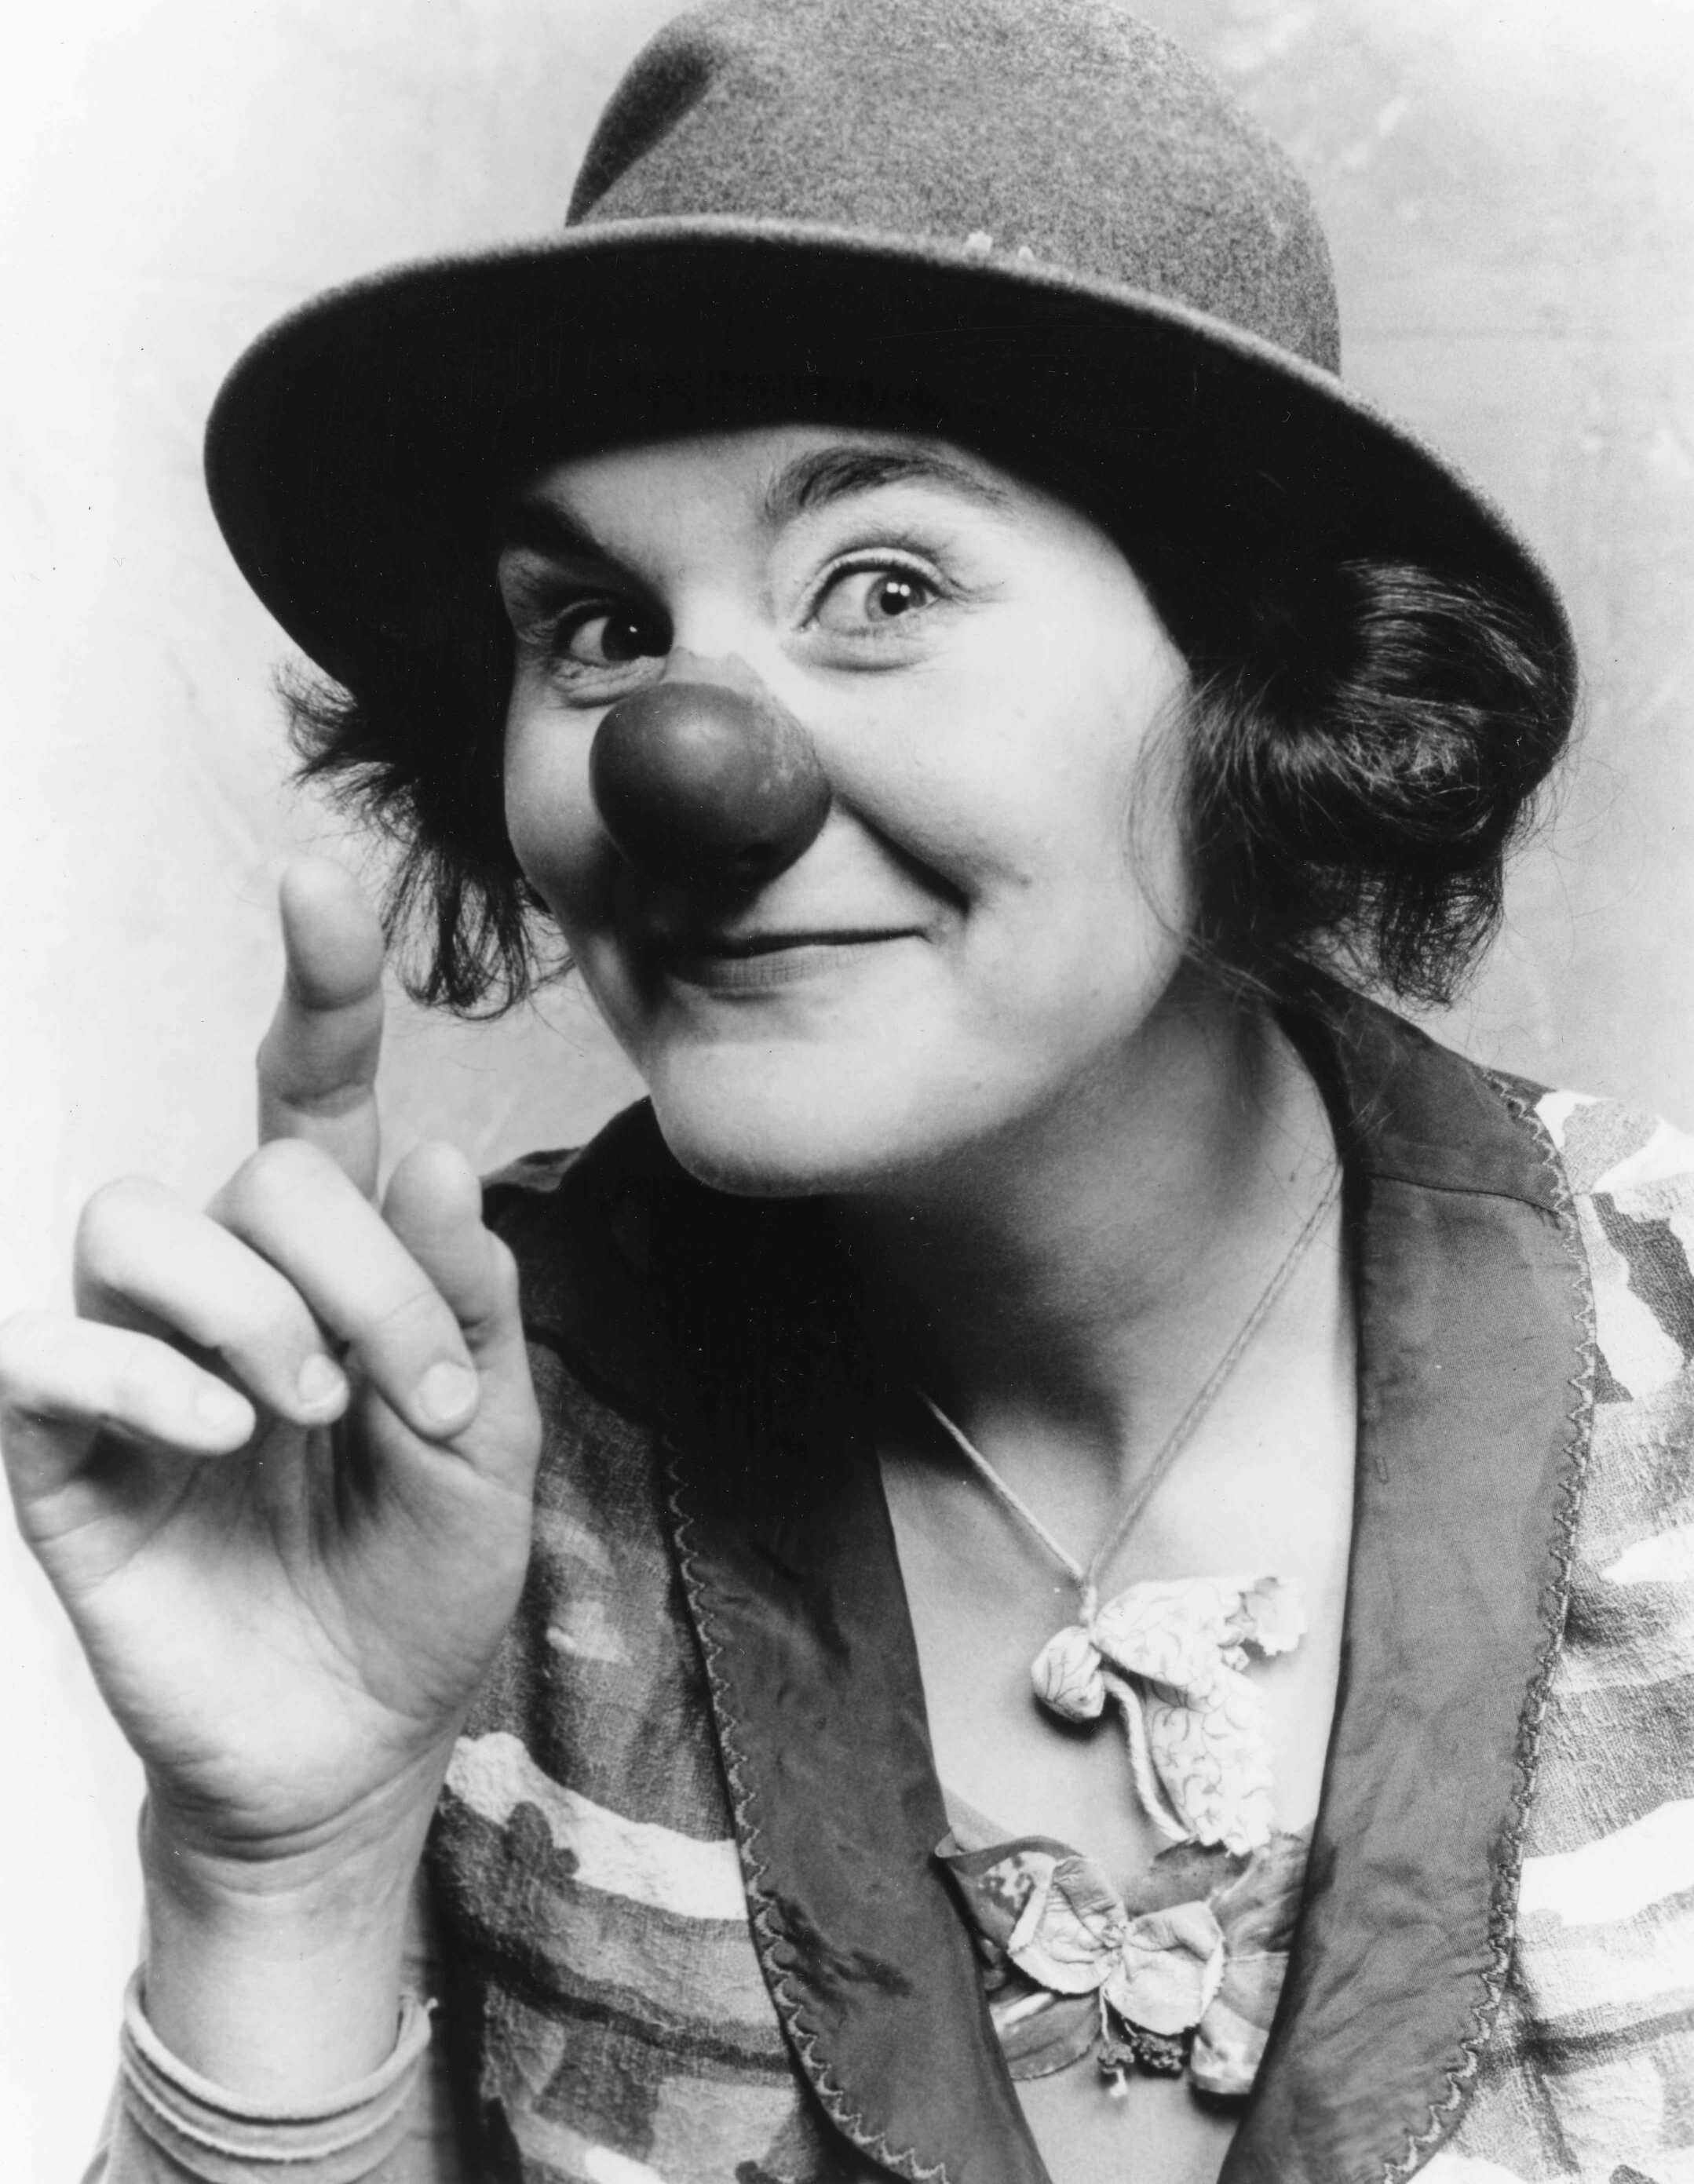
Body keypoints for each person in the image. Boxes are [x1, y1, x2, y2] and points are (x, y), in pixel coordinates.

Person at [2, 1, 1690, 2179]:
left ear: (1264, 684)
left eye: (880, 585)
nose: (686, 762)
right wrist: (282, 1877)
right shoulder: (420, 1449)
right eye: (598, 628)